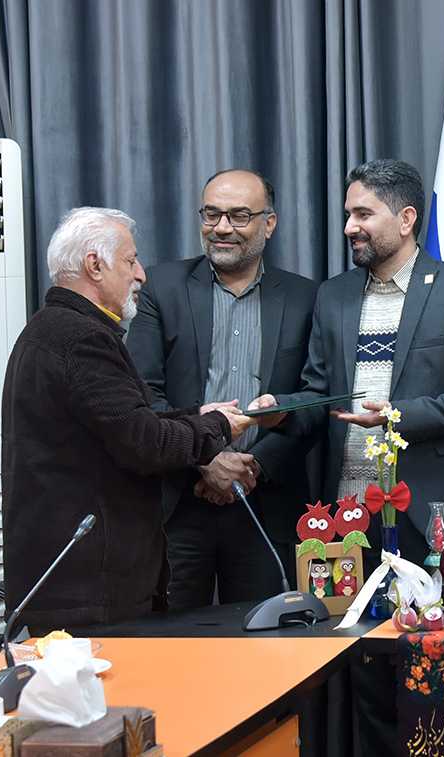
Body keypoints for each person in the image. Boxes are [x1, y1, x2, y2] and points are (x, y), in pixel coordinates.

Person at [1, 207, 255, 631]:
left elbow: (122, 423)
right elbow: (145, 444)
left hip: (73, 587)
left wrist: (197, 414)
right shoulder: (81, 338)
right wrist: (219, 427)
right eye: (131, 260)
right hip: (89, 592)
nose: (141, 274)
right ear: (94, 266)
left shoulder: (50, 329)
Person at [253, 158, 444, 566]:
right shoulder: (333, 295)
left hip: (428, 512)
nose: (350, 227)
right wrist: (280, 411)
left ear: (406, 220)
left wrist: (394, 416)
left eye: (363, 214)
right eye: (348, 215)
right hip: (347, 515)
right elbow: (320, 395)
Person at [126, 169, 320, 610]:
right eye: (212, 215)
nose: (222, 228)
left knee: (265, 640)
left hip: (266, 503)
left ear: (268, 224)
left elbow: (314, 400)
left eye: (239, 216)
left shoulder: (306, 297)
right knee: (171, 639)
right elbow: (142, 393)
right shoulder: (161, 288)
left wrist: (252, 468)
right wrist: (206, 458)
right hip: (179, 501)